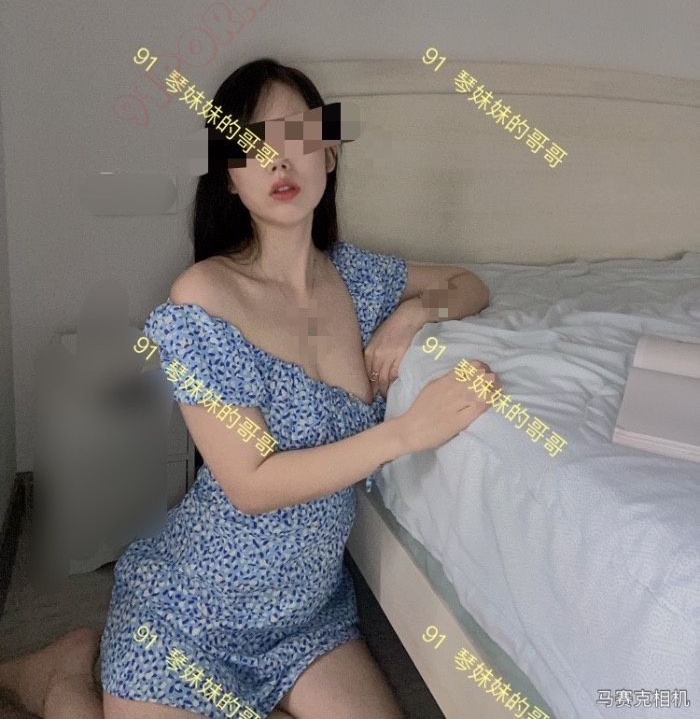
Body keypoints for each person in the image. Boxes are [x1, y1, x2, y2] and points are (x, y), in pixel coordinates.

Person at [3, 58, 494, 719]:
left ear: (329, 153)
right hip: (193, 610)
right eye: (251, 143)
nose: (277, 159)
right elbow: (251, 484)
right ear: (230, 177)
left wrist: (412, 315)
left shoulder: (358, 277)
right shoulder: (205, 297)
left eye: (298, 135)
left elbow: (469, 282)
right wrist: (406, 433)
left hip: (308, 618)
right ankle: (60, 677)